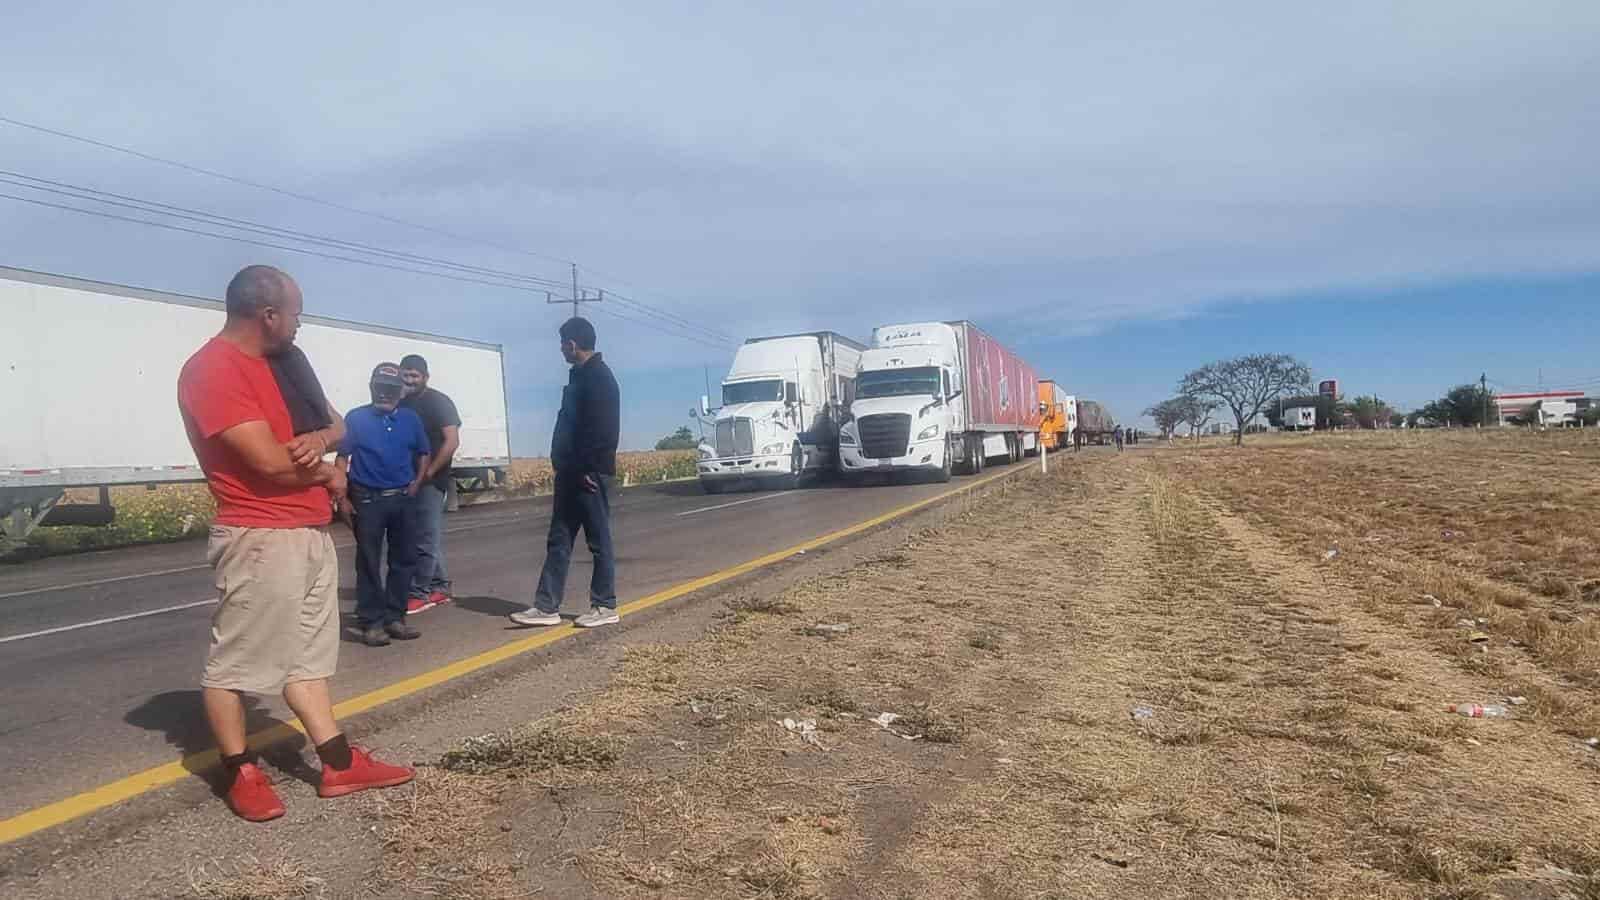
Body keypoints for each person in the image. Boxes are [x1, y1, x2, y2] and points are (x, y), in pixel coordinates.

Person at [177, 264, 414, 823]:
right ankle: (240, 771)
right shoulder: (213, 370)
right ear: (268, 315)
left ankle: (338, 764)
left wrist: (318, 439)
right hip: (261, 534)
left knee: (309, 659)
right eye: (296, 313)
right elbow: (267, 463)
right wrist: (330, 474)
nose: (300, 323)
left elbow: (338, 426)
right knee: (234, 665)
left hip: (307, 531)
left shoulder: (286, 364)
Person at [509, 317, 621, 629]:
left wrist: (586, 468)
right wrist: (563, 464)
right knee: (558, 540)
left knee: (598, 541)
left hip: (588, 473)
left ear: (572, 344)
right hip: (571, 472)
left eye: (562, 344)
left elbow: (602, 431)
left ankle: (605, 605)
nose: (560, 349)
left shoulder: (599, 378)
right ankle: (546, 607)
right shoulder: (580, 376)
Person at [339, 363, 432, 647]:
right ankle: (371, 622)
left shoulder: (411, 419)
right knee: (368, 562)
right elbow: (342, 458)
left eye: (390, 389)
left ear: (400, 392)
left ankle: (395, 618)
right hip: (367, 500)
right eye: (379, 388)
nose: (384, 394)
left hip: (402, 499)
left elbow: (424, 452)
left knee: (404, 560)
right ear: (371, 388)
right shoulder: (355, 418)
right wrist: (341, 498)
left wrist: (416, 483)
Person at [399, 354, 461, 613]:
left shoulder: (438, 401)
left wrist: (430, 472)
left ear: (425, 377)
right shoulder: (401, 403)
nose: (410, 380)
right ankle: (440, 587)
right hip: (408, 478)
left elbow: (451, 441)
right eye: (406, 375)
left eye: (414, 375)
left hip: (431, 481)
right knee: (420, 536)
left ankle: (420, 592)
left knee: (424, 537)